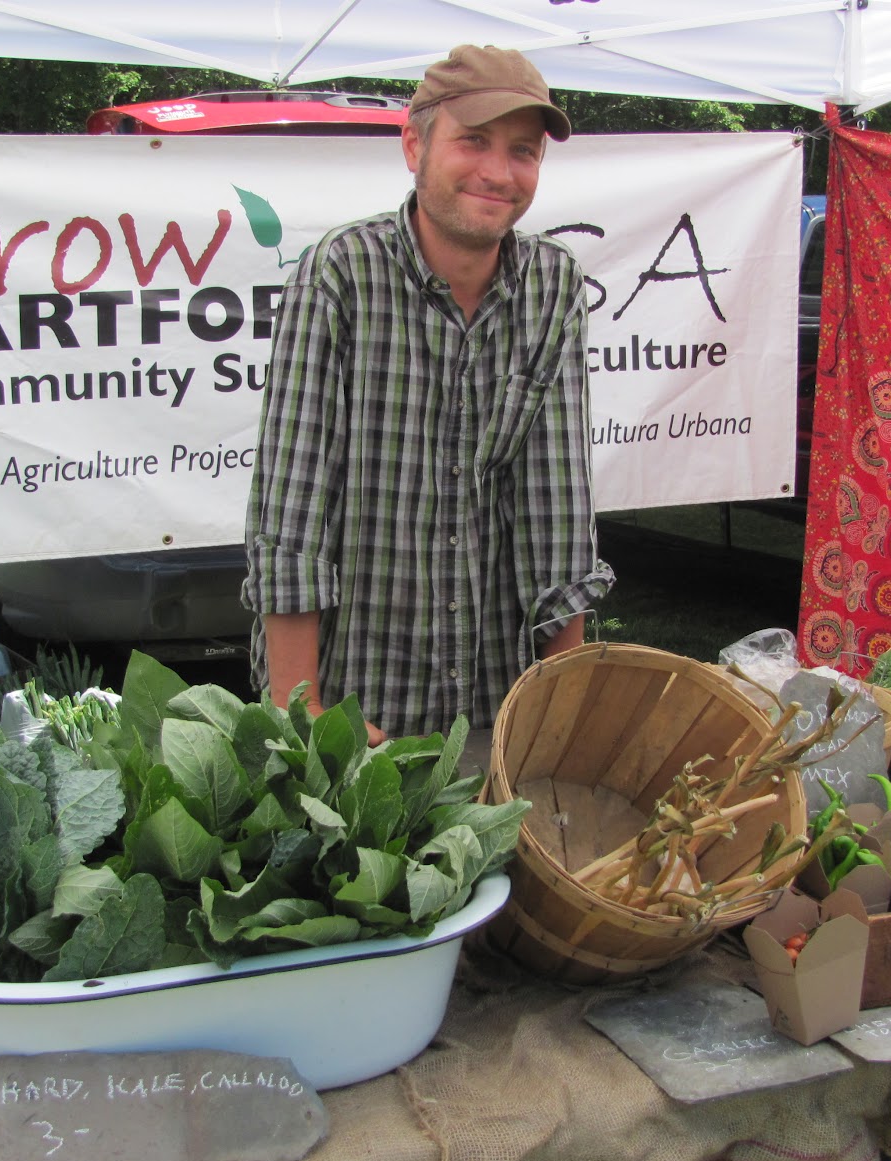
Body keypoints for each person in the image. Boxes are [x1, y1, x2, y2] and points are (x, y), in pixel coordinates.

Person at [243, 44, 614, 745]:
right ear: (414, 144)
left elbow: (557, 506)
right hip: (354, 699)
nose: (498, 173)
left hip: (493, 698)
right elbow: (292, 508)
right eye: (473, 141)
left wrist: (562, 706)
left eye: (523, 151)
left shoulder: (553, 286)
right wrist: (303, 708)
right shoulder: (341, 275)